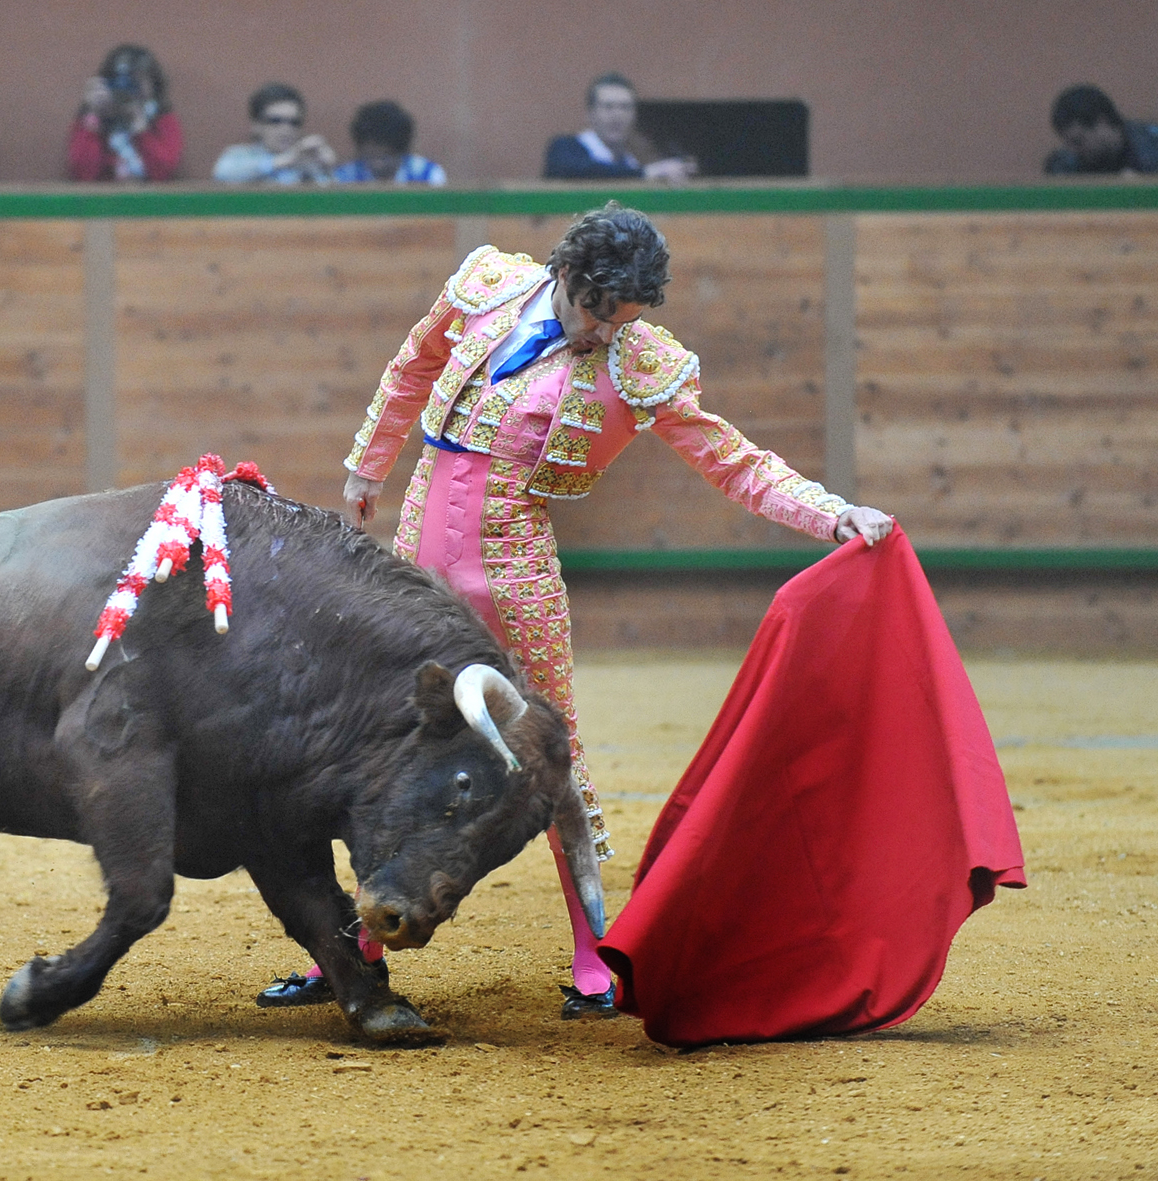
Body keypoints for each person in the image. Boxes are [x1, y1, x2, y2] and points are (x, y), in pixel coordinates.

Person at [257, 202, 893, 1019]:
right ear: (564, 276)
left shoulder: (641, 360)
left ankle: (597, 958)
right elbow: (412, 364)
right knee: (382, 752)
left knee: (552, 755)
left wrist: (830, 512)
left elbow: (733, 461)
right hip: (415, 560)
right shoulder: (488, 284)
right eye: (595, 312)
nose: (602, 334)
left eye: (621, 320)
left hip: (513, 568)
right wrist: (368, 466)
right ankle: (348, 952)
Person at [543, 73, 695, 183]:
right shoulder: (564, 148)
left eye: (625, 107)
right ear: (590, 114)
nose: (617, 115)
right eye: (608, 107)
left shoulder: (633, 161)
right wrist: (645, 173)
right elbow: (575, 171)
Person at [67, 44, 181, 182]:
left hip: (149, 198)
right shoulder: (91, 120)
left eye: (136, 82)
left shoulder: (162, 119)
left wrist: (141, 130)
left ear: (153, 84)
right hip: (102, 198)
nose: (128, 89)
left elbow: (162, 172)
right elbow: (83, 173)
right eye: (120, 81)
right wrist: (94, 118)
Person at [1044, 85, 1158, 176]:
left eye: (1078, 141)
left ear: (1102, 123)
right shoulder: (1064, 165)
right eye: (1068, 143)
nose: (1073, 150)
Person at [212, 83, 335, 185]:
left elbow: (332, 202)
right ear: (256, 125)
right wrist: (284, 161)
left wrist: (327, 170)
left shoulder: (306, 163)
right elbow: (222, 175)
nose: (286, 129)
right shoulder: (239, 156)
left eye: (294, 122)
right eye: (275, 121)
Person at [332, 100, 446, 186]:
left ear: (402, 151)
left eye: (385, 156)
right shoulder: (345, 177)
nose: (377, 164)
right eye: (370, 156)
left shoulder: (428, 175)